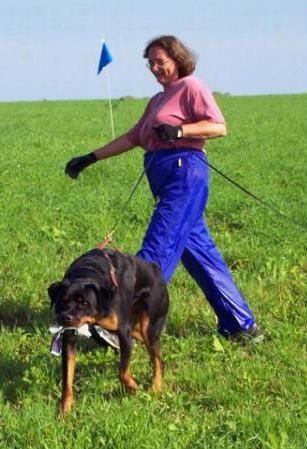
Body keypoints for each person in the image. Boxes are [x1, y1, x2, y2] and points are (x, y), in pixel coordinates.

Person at [65, 35, 263, 343]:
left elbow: (218, 126)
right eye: (151, 63)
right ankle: (241, 326)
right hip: (166, 180)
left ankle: (122, 324)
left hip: (185, 175)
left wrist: (180, 130)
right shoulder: (157, 100)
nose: (156, 68)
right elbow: (133, 137)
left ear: (177, 59)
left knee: (153, 252)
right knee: (201, 257)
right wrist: (90, 158)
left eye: (161, 61)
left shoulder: (191, 86)